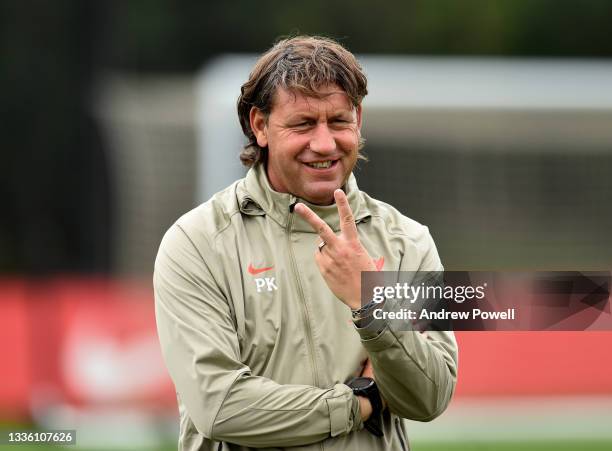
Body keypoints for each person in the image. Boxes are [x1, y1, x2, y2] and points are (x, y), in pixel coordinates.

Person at [154, 35, 458, 451]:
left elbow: (430, 398)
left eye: (338, 121)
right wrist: (360, 402)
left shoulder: (409, 240)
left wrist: (371, 306)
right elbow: (220, 407)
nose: (324, 143)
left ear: (359, 119)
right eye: (302, 124)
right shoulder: (196, 244)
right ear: (260, 126)